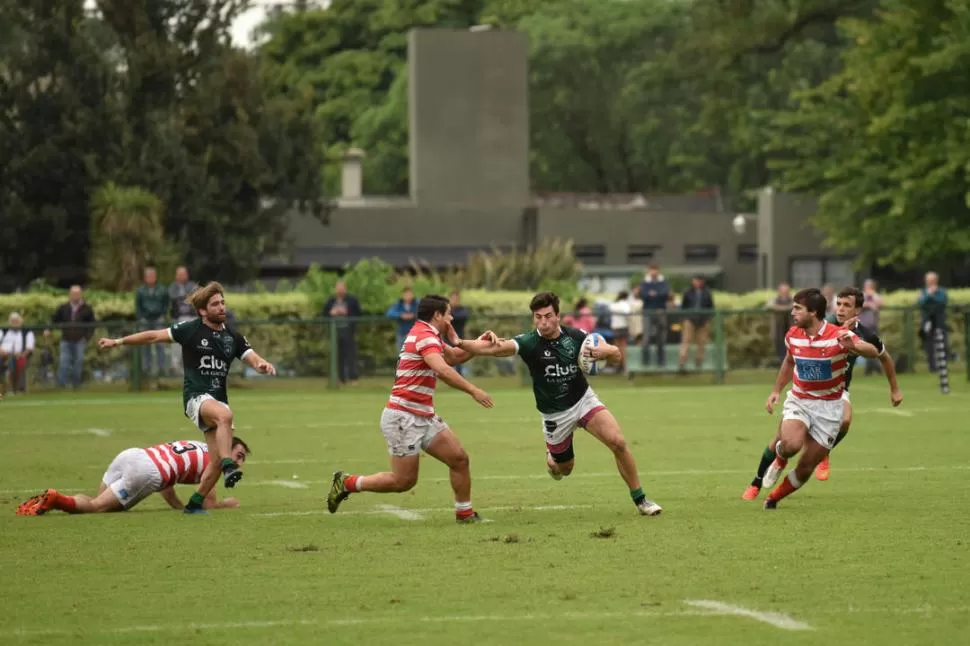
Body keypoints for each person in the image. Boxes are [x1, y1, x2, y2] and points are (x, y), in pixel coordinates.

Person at [457, 291, 663, 516]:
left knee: (618, 442)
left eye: (547, 316)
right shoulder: (529, 342)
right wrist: (459, 341)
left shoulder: (576, 338)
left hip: (583, 399)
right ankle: (552, 459)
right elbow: (494, 349)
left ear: (558, 316)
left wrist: (606, 351)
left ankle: (641, 500)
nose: (543, 322)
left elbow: (616, 355)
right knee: (564, 469)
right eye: (538, 317)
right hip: (555, 415)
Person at [97, 282, 276, 514]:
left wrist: (261, 364)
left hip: (217, 400)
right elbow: (152, 336)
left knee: (213, 462)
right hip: (196, 398)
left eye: (223, 302)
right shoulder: (190, 330)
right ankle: (229, 465)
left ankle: (193, 505)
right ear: (202, 310)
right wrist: (119, 341)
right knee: (225, 416)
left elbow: (252, 358)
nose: (221, 307)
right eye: (215, 304)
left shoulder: (233, 337)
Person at [327, 294, 494, 523]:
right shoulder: (424, 336)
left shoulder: (429, 334)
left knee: (459, 459)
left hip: (423, 414)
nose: (451, 317)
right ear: (437, 315)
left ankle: (464, 513)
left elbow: (454, 356)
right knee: (403, 481)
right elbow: (443, 370)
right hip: (403, 417)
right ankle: (347, 483)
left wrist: (477, 344)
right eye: (448, 313)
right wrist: (474, 390)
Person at [742, 287, 903, 499]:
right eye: (839, 304)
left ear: (858, 310)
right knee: (786, 442)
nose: (841, 309)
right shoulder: (816, 322)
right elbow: (790, 359)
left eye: (847, 305)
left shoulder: (861, 334)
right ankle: (759, 478)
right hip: (803, 395)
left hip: (837, 391)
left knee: (844, 421)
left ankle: (822, 451)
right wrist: (776, 390)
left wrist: (895, 388)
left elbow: (882, 356)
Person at [16, 438, 249, 516]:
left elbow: (167, 485)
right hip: (147, 471)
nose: (237, 463)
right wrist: (224, 505)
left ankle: (50, 501)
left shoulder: (200, 445)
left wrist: (178, 507)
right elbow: (206, 502)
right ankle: (57, 499)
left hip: (133, 455)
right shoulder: (217, 461)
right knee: (97, 507)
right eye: (238, 455)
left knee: (98, 503)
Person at [47, 285, 96, 388]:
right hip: (66, 339)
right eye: (73, 294)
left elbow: (92, 325)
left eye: (77, 294)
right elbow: (55, 319)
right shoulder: (63, 308)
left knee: (78, 362)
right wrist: (48, 329)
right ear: (70, 295)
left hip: (80, 340)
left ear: (80, 294)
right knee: (64, 362)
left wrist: (86, 338)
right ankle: (61, 385)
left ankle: (76, 385)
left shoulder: (87, 308)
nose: (75, 296)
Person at [322, 280, 362, 385]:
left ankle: (353, 378)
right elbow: (323, 314)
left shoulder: (352, 300)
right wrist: (331, 313)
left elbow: (358, 313)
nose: (340, 289)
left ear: (345, 288)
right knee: (338, 356)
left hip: (348, 332)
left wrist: (346, 312)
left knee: (350, 355)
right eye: (338, 287)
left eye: (342, 287)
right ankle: (341, 379)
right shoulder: (331, 301)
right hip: (335, 332)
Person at [136, 266, 170, 378]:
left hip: (158, 318)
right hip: (145, 320)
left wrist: (163, 315)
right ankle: (146, 369)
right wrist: (141, 318)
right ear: (145, 278)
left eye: (152, 276)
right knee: (145, 344)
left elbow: (166, 304)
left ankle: (161, 369)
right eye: (148, 276)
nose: (150, 278)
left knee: (160, 344)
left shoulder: (162, 289)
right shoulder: (140, 291)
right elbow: (138, 306)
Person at [678, 275, 714, 372]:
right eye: (696, 281)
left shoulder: (707, 293)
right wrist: (684, 318)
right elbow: (683, 307)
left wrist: (708, 318)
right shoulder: (687, 292)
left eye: (700, 281)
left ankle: (699, 363)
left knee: (701, 342)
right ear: (693, 281)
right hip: (689, 319)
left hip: (703, 320)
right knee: (686, 341)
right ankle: (682, 363)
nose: (698, 282)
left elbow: (711, 307)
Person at [639, 264, 670, 367]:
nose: (653, 272)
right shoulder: (644, 283)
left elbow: (664, 294)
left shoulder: (663, 283)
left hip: (660, 312)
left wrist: (653, 294)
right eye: (652, 270)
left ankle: (661, 362)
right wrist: (654, 294)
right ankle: (645, 363)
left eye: (655, 270)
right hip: (648, 312)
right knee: (646, 338)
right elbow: (644, 295)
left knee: (661, 338)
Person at [168, 266, 198, 373]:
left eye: (183, 274)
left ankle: (192, 365)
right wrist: (184, 297)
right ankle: (175, 366)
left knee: (193, 343)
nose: (182, 276)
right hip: (178, 318)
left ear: (187, 275)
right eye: (179, 274)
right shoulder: (172, 287)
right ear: (176, 276)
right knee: (176, 342)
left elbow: (195, 298)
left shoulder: (192, 285)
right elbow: (173, 299)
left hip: (192, 317)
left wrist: (184, 297)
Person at [918, 271, 948, 373]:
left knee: (942, 343)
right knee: (929, 345)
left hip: (939, 321)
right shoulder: (923, 291)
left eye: (931, 280)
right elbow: (921, 303)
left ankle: (943, 366)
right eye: (927, 280)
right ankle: (932, 367)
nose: (929, 282)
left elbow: (942, 302)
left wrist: (931, 297)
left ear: (935, 281)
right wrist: (929, 295)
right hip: (927, 322)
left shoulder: (942, 291)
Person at [0, 313, 35, 394]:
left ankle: (18, 388)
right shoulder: (3, 331)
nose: (15, 323)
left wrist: (22, 354)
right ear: (9, 322)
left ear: (21, 321)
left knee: (17, 361)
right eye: (13, 321)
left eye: (17, 321)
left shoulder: (27, 332)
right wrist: (2, 351)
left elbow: (29, 348)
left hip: (20, 355)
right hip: (3, 355)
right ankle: (4, 388)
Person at [766, 283, 794, 364]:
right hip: (778, 331)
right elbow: (769, 306)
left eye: (786, 291)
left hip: (791, 330)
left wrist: (779, 308)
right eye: (783, 291)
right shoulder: (774, 299)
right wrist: (787, 308)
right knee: (780, 351)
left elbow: (796, 305)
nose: (784, 293)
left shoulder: (793, 299)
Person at [609, 291, 633, 371]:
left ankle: (617, 364)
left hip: (615, 327)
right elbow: (628, 312)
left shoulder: (614, 304)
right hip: (623, 326)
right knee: (623, 347)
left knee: (617, 346)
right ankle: (624, 365)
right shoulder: (624, 305)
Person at [449, 290, 471, 376]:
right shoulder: (446, 310)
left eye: (456, 298)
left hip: (459, 337)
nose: (455, 300)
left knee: (458, 358)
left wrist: (450, 315)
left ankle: (459, 375)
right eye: (453, 298)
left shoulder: (463, 310)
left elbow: (462, 317)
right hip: (446, 338)